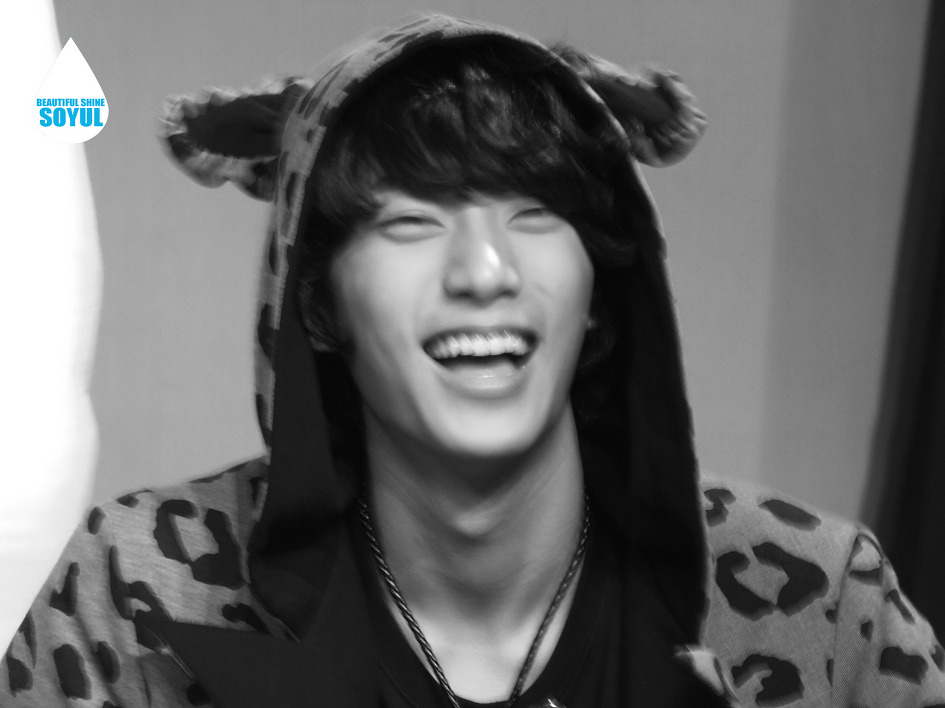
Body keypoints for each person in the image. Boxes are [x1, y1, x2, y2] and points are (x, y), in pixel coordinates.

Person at [3, 13, 942, 707]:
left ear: (601, 288)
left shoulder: (819, 601)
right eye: (410, 223)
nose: (484, 272)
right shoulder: (134, 590)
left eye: (534, 215)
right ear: (316, 302)